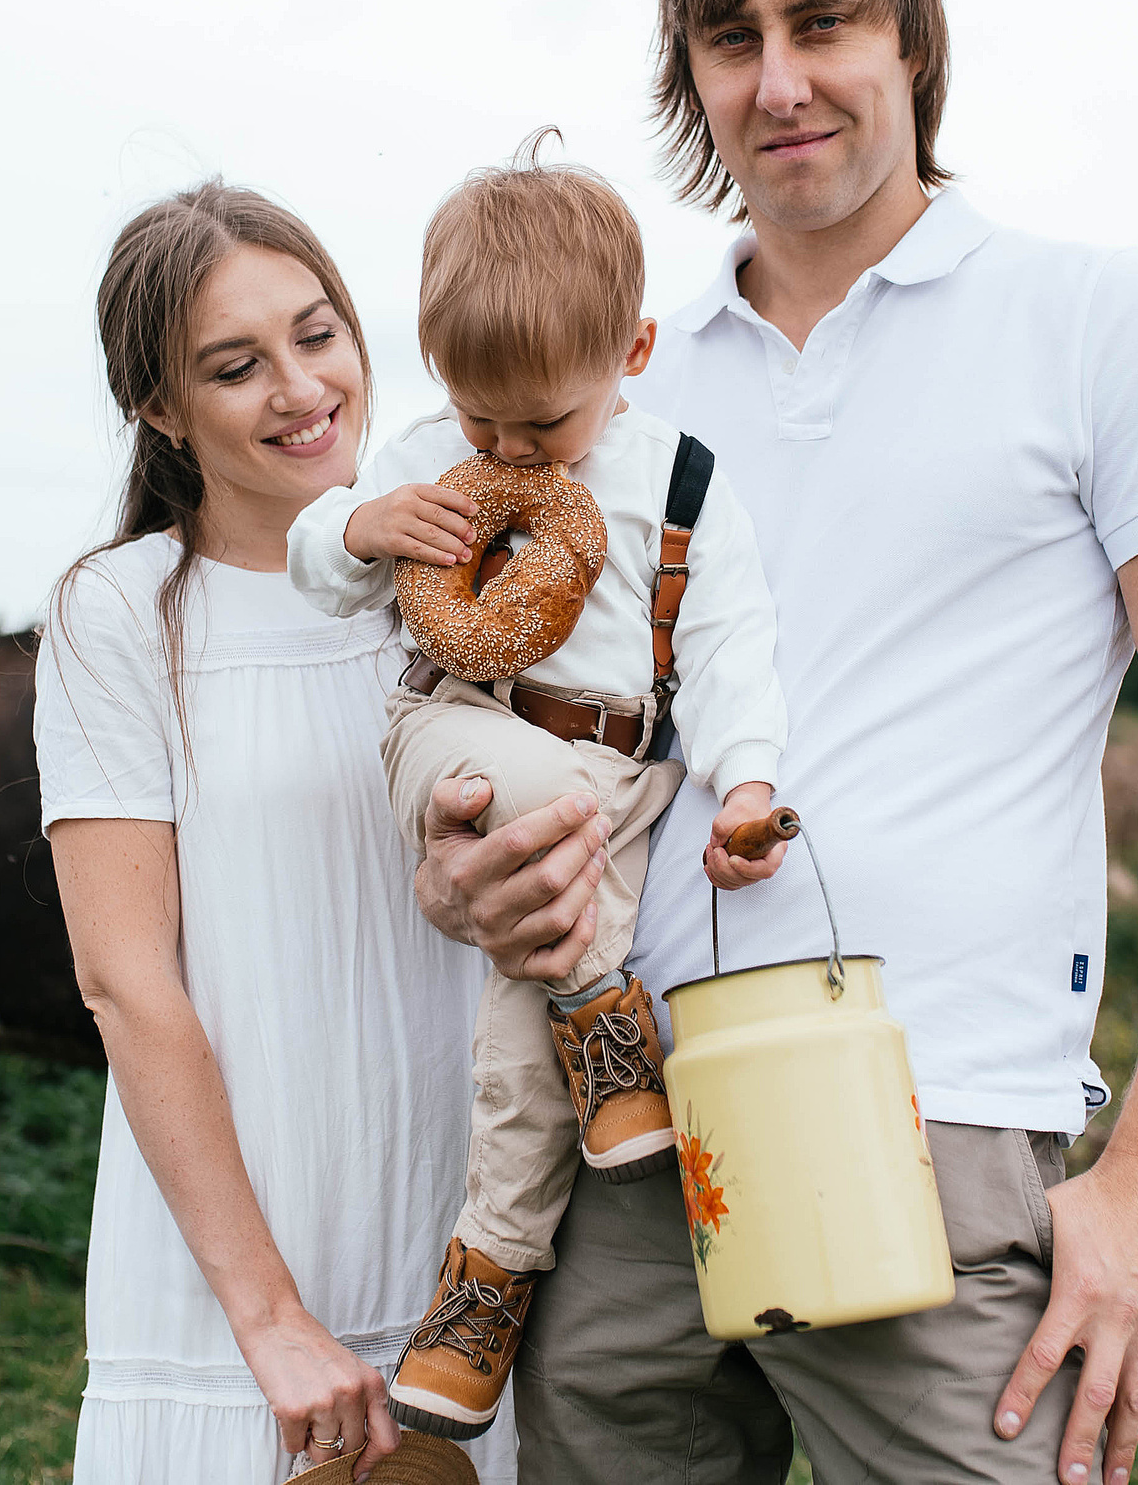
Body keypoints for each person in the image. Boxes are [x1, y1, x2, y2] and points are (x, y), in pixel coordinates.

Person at [408, 0, 1138, 1485]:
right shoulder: (621, 378)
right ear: (686, 75)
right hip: (630, 1143)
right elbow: (520, 713)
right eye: (731, 41)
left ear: (915, 46)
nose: (782, 81)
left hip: (937, 1121)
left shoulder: (1095, 320)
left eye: (825, 23)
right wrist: (471, 857)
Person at [287, 144, 789, 1443]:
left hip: (630, 778)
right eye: (479, 425)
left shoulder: (680, 483)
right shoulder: (416, 460)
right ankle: (610, 1021)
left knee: (521, 1037)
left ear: (632, 352)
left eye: (540, 428)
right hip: (457, 734)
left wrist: (747, 787)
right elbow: (313, 559)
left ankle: (485, 1286)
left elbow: (734, 656)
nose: (506, 452)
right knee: (542, 806)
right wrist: (363, 529)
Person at [35, 181, 514, 1484]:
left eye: (318, 334)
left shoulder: (457, 588)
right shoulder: (126, 611)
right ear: (161, 407)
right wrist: (270, 1316)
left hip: (460, 1273)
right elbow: (127, 985)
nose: (303, 388)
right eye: (236, 366)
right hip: (231, 1294)